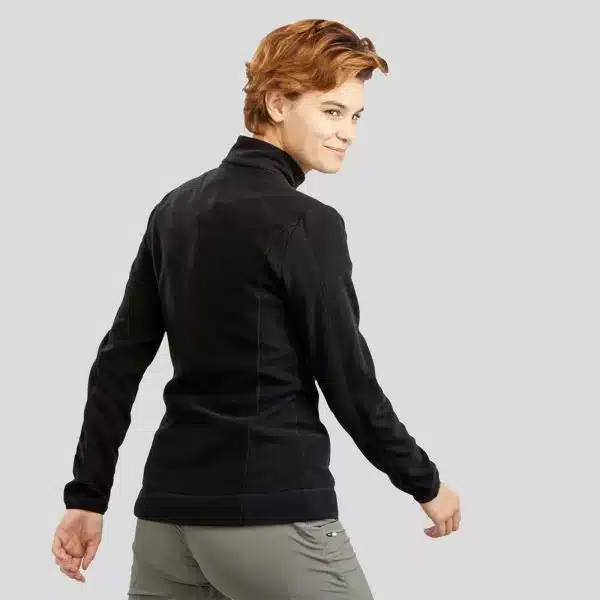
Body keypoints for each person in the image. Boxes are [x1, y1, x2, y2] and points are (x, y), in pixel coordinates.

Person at [51, 18, 461, 599]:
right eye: (332, 111)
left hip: (168, 526)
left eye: (356, 116)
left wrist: (87, 497)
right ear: (276, 103)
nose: (347, 133)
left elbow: (118, 362)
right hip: (272, 517)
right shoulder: (306, 223)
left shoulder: (175, 210)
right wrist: (425, 482)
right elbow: (348, 379)